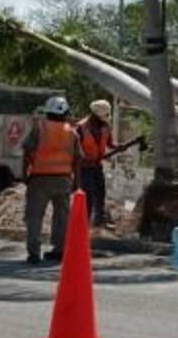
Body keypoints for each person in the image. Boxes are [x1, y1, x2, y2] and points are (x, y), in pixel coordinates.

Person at [23, 96, 80, 265]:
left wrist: (24, 174)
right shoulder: (72, 132)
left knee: (34, 216)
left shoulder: (39, 128)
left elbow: (27, 151)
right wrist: (77, 182)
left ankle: (34, 252)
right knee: (62, 217)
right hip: (63, 179)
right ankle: (59, 250)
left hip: (39, 178)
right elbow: (78, 159)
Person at [77, 99, 117, 227]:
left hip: (97, 167)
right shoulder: (81, 128)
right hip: (84, 169)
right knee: (87, 196)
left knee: (100, 195)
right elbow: (74, 149)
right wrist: (83, 160)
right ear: (95, 116)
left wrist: (120, 146)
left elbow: (110, 144)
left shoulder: (105, 126)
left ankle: (96, 225)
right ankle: (84, 225)